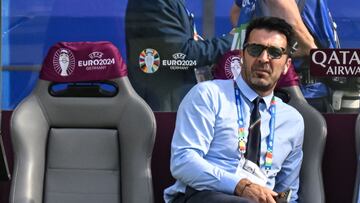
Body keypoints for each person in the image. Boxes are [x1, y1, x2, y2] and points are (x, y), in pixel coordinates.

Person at [164, 17, 304, 203]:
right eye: (255, 49)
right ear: (242, 56)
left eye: (275, 52)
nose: (263, 59)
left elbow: (288, 191)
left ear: (287, 65)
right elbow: (183, 162)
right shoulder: (209, 94)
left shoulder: (292, 120)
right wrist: (240, 186)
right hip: (203, 195)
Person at [230, 0, 339, 112]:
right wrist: (322, 61)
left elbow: (237, 12)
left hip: (264, 85)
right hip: (300, 92)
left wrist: (252, 45)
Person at [125, 0, 233, 111]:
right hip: (161, 107)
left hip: (169, 101)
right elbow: (181, 54)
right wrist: (231, 40)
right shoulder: (155, 2)